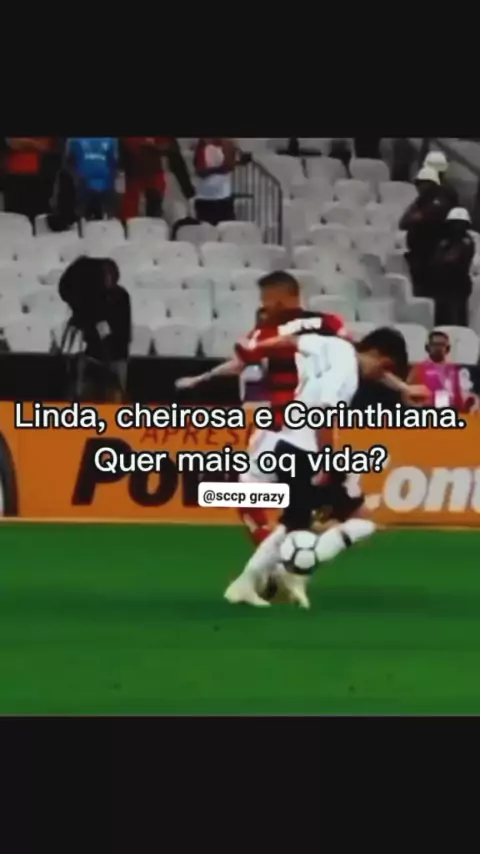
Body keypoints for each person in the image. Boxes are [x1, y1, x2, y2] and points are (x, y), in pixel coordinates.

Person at [224, 325, 409, 608]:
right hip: (304, 449)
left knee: (305, 523)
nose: (380, 377)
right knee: (349, 521)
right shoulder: (346, 372)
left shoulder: (334, 345)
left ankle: (265, 578)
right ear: (381, 358)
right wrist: (326, 461)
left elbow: (289, 340)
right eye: (384, 369)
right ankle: (286, 570)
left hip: (287, 442)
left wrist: (256, 349)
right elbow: (324, 413)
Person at [399, 166, 452, 297]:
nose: (418, 187)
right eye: (417, 183)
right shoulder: (419, 202)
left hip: (432, 254)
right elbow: (403, 223)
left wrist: (417, 216)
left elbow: (424, 217)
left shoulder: (440, 201)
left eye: (421, 183)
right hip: (417, 254)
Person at [120, 137, 195, 220]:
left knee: (153, 207)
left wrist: (189, 192)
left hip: (150, 180)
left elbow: (176, 160)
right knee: (131, 211)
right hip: (133, 179)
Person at [408, 329, 477, 412]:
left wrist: (471, 399)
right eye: (435, 344)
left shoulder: (455, 370)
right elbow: (408, 394)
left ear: (448, 348)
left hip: (453, 413)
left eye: (442, 344)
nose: (438, 348)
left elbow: (462, 394)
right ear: (427, 347)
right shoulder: (418, 369)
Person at [428, 207, 474, 326]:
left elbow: (451, 259)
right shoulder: (445, 241)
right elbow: (436, 260)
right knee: (441, 319)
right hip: (442, 285)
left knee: (456, 319)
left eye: (459, 224)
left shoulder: (467, 242)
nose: (456, 227)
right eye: (454, 223)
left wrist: (443, 259)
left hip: (458, 286)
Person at [66, 137, 119, 220]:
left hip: (82, 184)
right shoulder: (111, 140)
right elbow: (114, 161)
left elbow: (69, 160)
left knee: (82, 215)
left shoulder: (73, 140)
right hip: (104, 185)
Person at [2, 137, 53, 221]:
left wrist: (25, 144)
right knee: (15, 218)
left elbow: (44, 146)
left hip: (40, 177)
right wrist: (33, 144)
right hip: (14, 177)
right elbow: (12, 143)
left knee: (38, 219)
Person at [194, 138, 236, 225]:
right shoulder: (201, 146)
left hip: (223, 196)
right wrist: (219, 169)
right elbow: (200, 171)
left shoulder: (226, 144)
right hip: (205, 197)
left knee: (226, 226)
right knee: (206, 228)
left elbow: (229, 165)